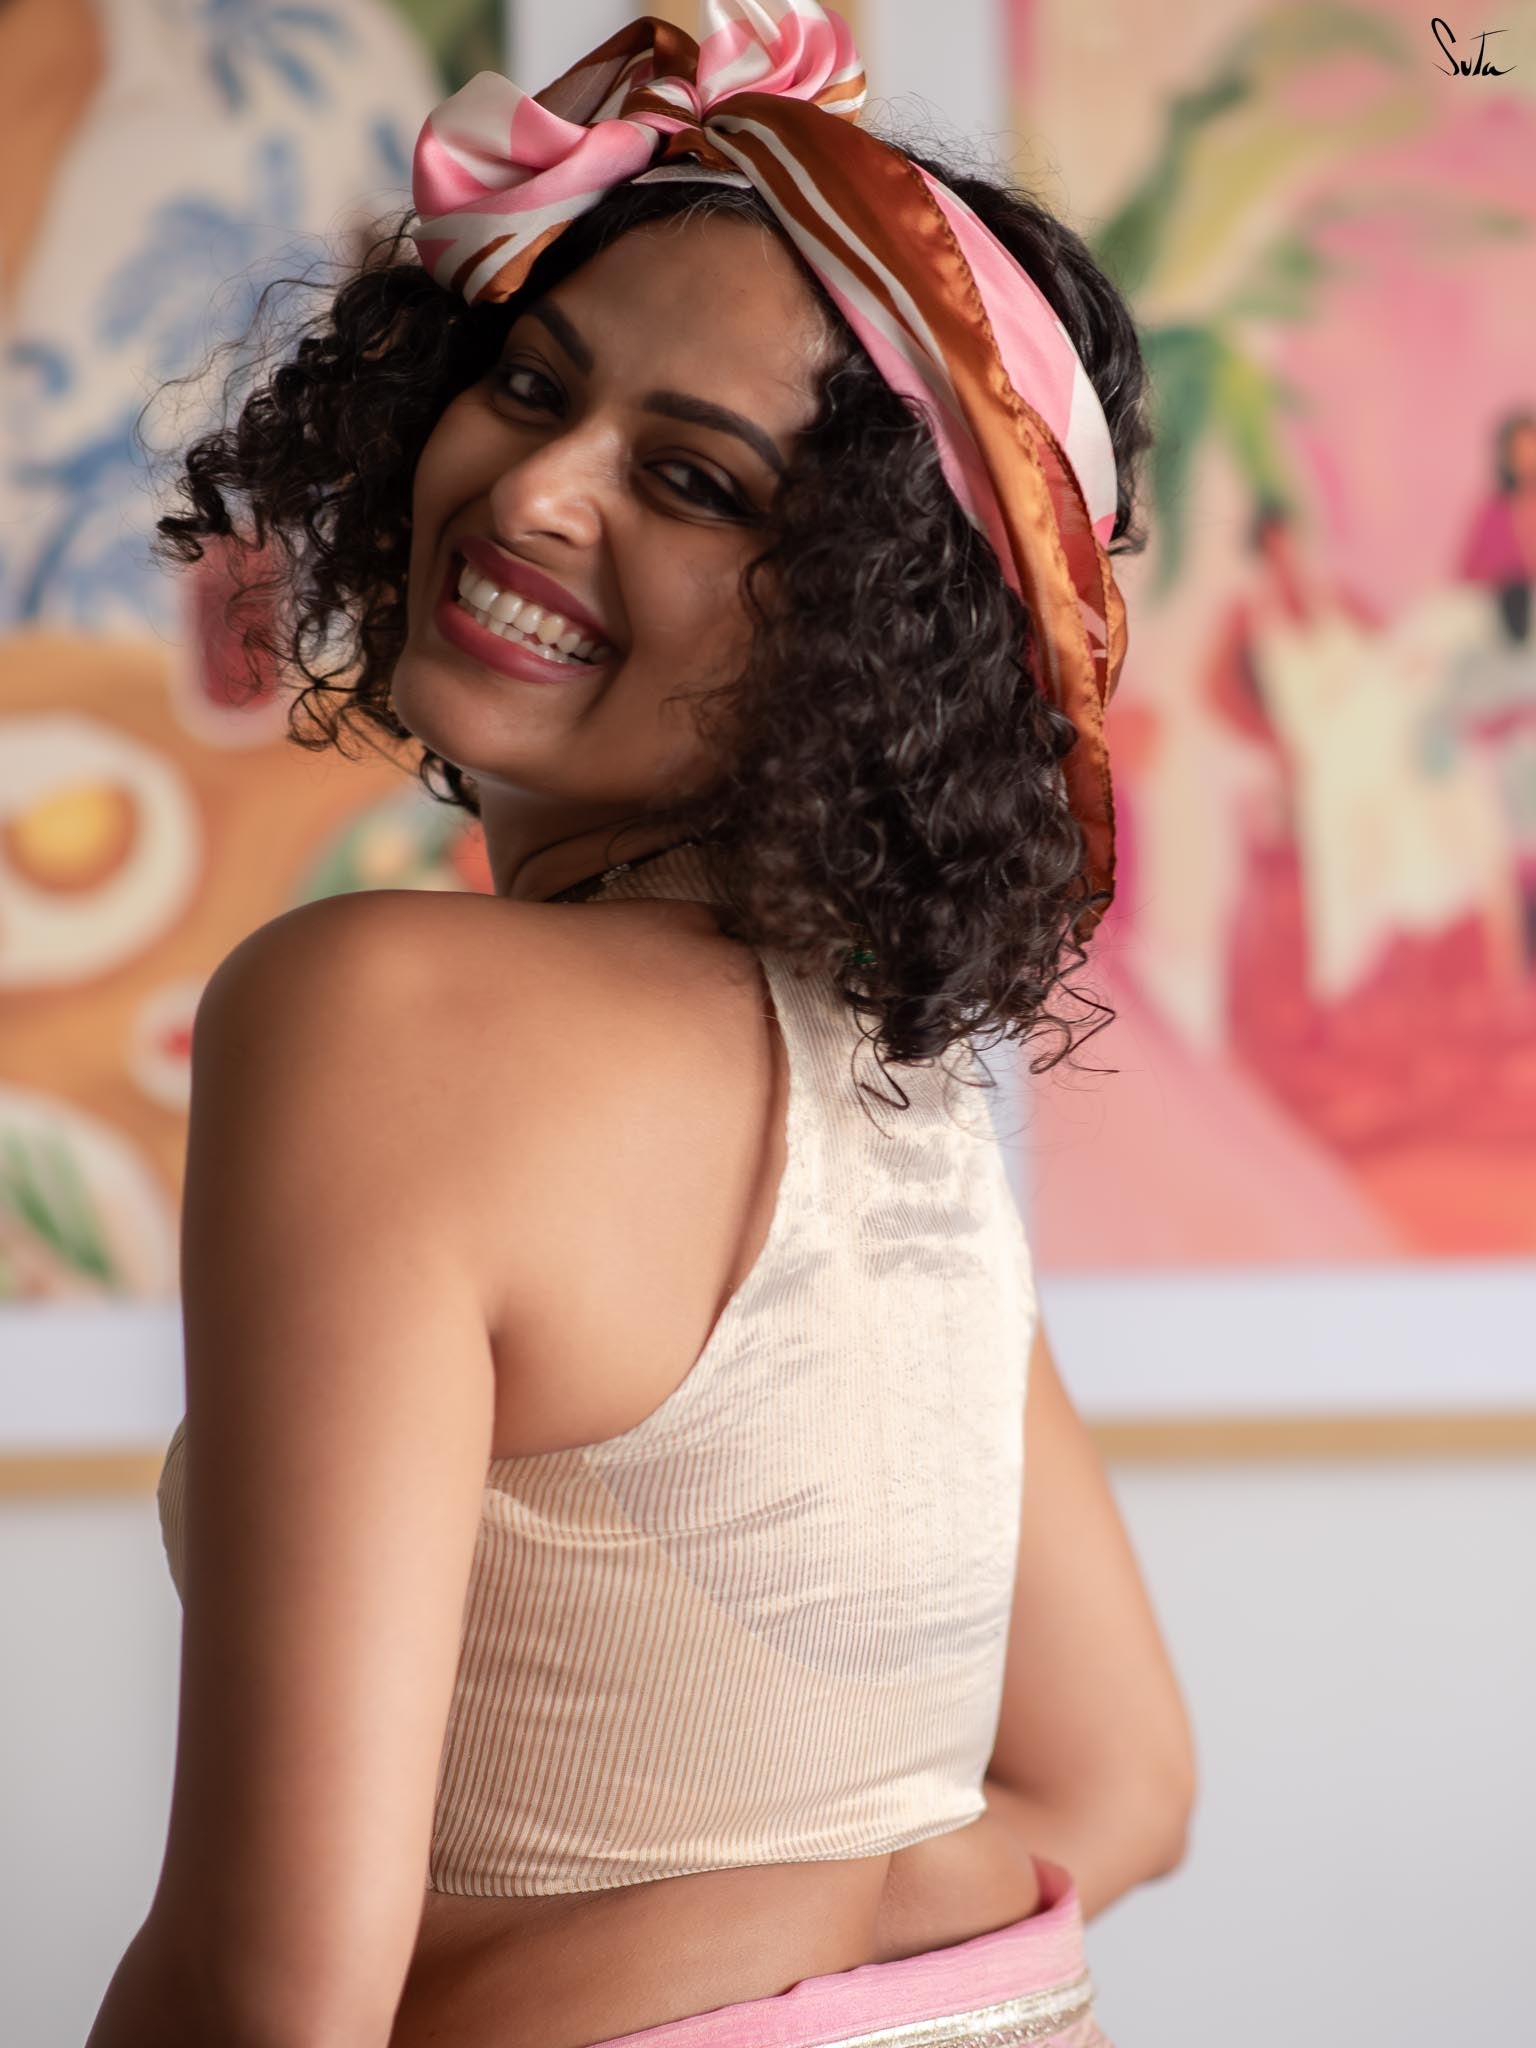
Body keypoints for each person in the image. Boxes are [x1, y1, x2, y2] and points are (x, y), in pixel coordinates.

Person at [88, 7, 1194, 2045]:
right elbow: (1119, 1785)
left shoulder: (385, 1015)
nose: (535, 488)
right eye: (530, 382)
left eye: (692, 480)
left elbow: (275, 1993)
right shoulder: (891, 1071)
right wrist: (799, 1940)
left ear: (860, 623)